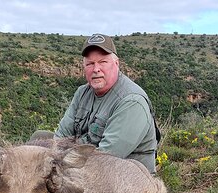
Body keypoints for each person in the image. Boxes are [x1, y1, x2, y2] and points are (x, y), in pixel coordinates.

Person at [52, 33, 158, 174]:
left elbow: (106, 158)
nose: (96, 69)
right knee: (38, 141)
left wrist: (59, 164)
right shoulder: (82, 92)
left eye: (103, 62)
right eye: (90, 64)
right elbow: (60, 137)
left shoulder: (132, 101)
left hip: (125, 179)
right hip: (84, 160)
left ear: (116, 63)